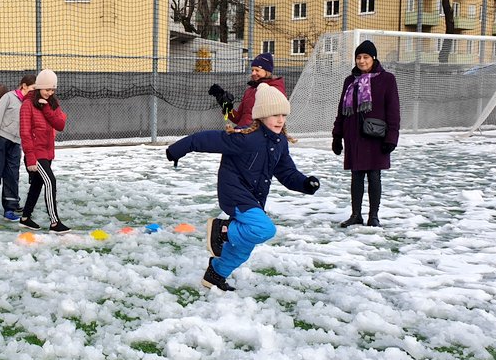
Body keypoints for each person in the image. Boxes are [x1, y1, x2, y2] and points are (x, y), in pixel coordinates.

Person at [165, 83, 321, 292]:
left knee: (243, 247)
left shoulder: (280, 142)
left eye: (283, 115)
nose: (280, 120)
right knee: (264, 229)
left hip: (254, 199)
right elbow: (204, 139)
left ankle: (215, 274)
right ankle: (221, 230)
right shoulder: (245, 138)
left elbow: (286, 172)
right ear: (262, 116)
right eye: (275, 115)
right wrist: (176, 150)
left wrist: (304, 183)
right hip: (234, 193)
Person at [332, 39, 401, 228]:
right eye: (358, 57)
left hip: (375, 136)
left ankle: (373, 216)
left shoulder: (387, 79)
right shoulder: (350, 80)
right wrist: (337, 135)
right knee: (356, 176)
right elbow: (341, 110)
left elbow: (393, 110)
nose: (361, 61)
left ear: (374, 58)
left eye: (366, 57)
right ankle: (356, 215)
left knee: (374, 176)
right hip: (353, 135)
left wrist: (392, 137)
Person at [0, 75, 35, 223]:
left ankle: (9, 209)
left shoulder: (30, 102)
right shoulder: (9, 97)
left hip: (15, 143)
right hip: (0, 140)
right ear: (24, 86)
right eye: (33, 88)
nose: (34, 91)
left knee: (12, 175)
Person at [18, 69, 69, 233]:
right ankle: (54, 222)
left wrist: (47, 108)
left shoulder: (52, 103)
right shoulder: (27, 105)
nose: (50, 93)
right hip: (35, 153)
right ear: (39, 87)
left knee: (37, 185)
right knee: (50, 181)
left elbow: (60, 125)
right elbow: (25, 133)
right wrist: (30, 157)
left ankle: (25, 218)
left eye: (52, 89)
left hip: (48, 152)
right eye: (47, 89)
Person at [208, 52, 286, 129]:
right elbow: (238, 118)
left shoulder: (274, 89)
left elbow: (274, 120)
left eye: (257, 70)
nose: (253, 73)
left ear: (267, 72)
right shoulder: (250, 90)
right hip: (243, 130)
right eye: (252, 70)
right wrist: (225, 105)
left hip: (257, 133)